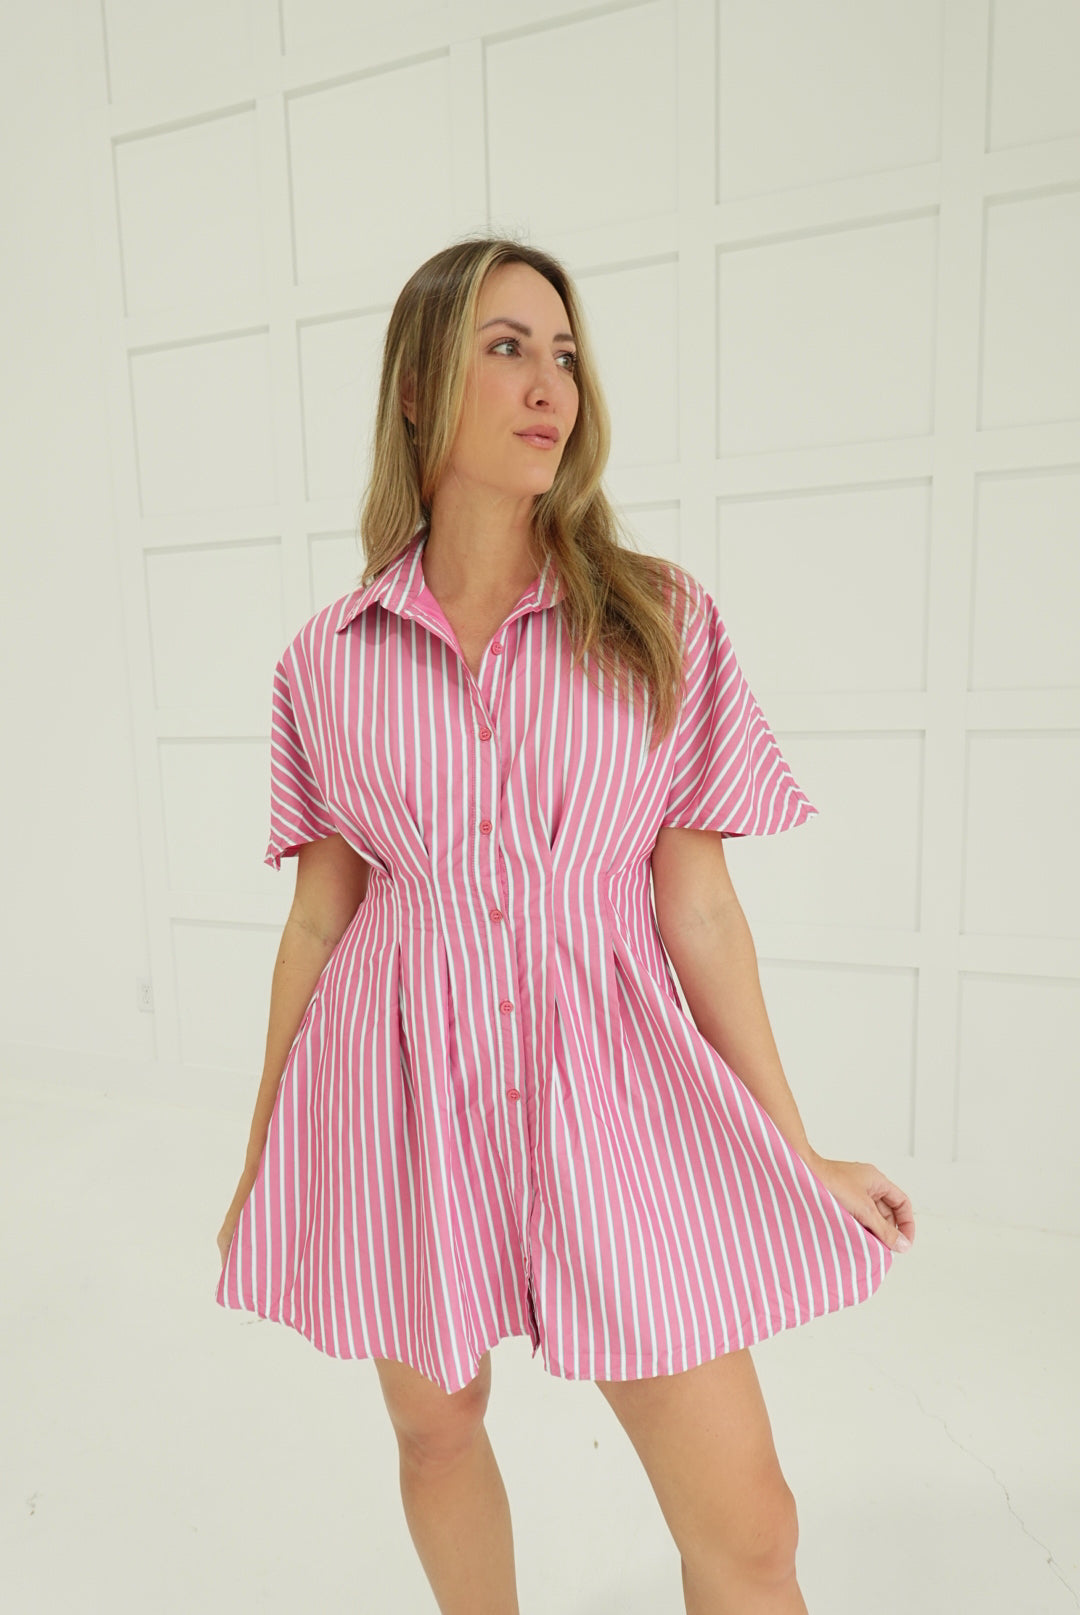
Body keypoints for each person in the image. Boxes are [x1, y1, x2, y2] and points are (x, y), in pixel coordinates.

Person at [215, 234, 915, 1614]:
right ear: (418, 386)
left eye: (567, 356)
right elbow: (317, 925)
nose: (551, 387)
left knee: (753, 1532)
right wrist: (261, 1163)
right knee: (436, 1429)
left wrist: (792, 1150)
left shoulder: (658, 620)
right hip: (398, 1093)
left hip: (615, 1095)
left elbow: (700, 907)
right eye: (507, 348)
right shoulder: (326, 661)